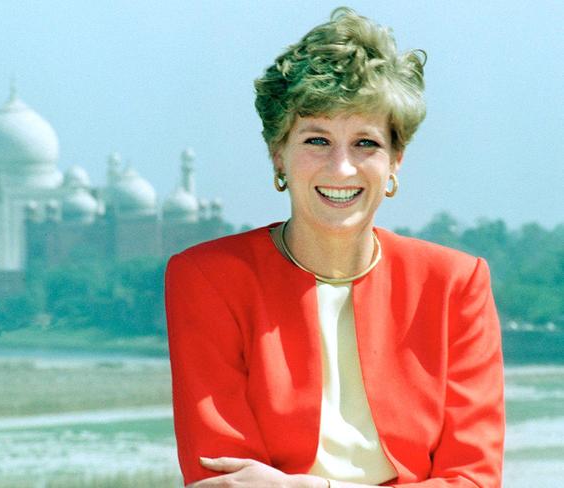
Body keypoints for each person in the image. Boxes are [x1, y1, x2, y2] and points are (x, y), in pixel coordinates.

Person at [165, 7, 504, 488]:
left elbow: (475, 480)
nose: (341, 168)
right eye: (318, 139)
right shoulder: (206, 278)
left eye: (365, 143)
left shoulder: (455, 284)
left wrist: (309, 486)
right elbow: (223, 477)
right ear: (278, 153)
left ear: (395, 161)